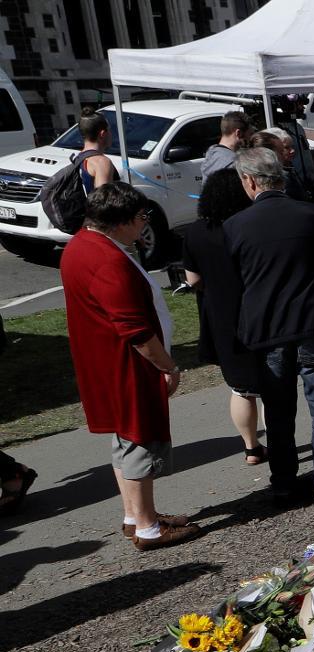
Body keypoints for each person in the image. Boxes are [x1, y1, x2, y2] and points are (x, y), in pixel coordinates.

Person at [62, 183, 197, 549]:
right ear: (120, 222)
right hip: (127, 365)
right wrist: (168, 366)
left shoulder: (81, 245)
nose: (144, 224)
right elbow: (135, 330)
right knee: (139, 439)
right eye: (140, 218)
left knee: (124, 439)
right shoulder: (108, 261)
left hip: (104, 362)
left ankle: (133, 516)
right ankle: (148, 527)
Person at [227, 147, 314, 508]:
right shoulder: (311, 215)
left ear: (249, 181)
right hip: (313, 318)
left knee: (279, 411)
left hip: (269, 326)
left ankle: (283, 484)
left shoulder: (236, 226)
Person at [181, 170, 261, 465]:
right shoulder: (248, 224)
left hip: (220, 315)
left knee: (240, 389)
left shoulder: (196, 232)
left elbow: (193, 279)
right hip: (256, 310)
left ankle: (251, 447)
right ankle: (279, 442)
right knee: (271, 384)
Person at [203, 110, 253, 181]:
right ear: (238, 133)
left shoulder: (211, 153)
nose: (250, 139)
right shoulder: (233, 163)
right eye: (250, 134)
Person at [74, 112, 118, 191]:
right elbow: (103, 201)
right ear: (102, 134)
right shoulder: (101, 162)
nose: (111, 134)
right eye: (109, 130)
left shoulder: (78, 158)